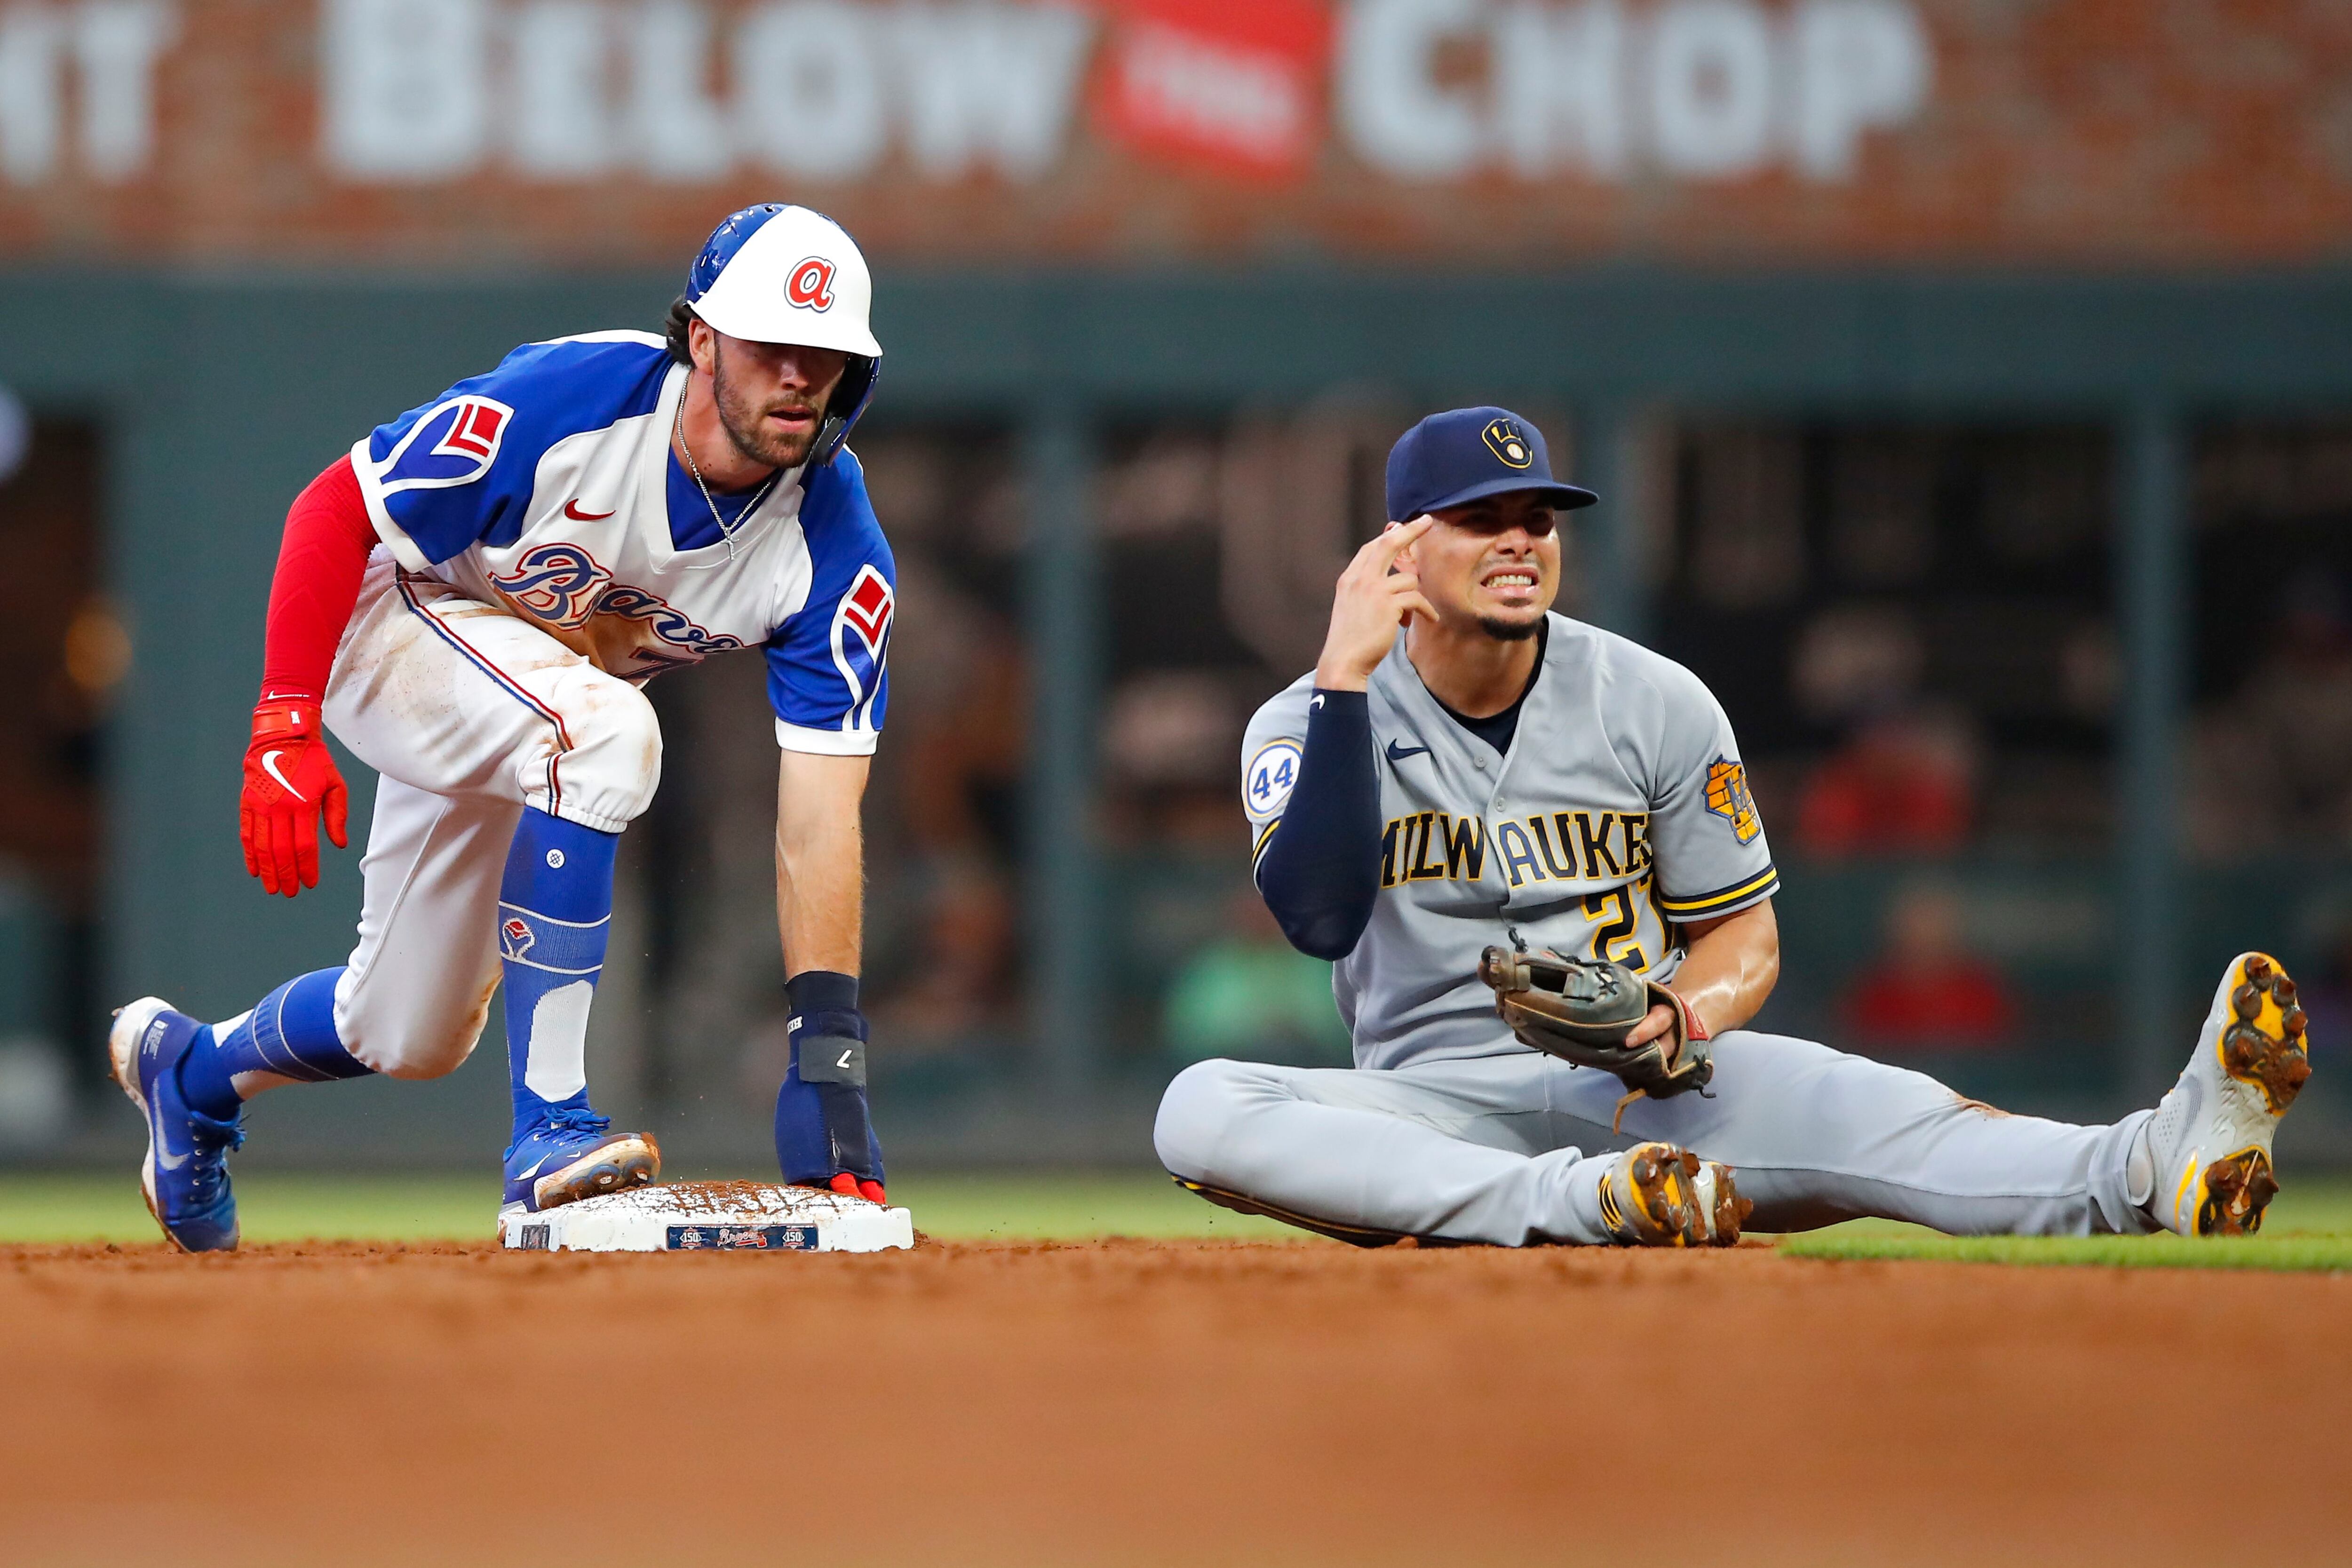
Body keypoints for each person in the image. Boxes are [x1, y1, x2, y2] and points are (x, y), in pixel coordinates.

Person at [1153, 407, 2312, 1247]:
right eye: (1479, 518)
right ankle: (1589, 1204)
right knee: (1200, 1106)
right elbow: (1314, 916)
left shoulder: (1655, 698)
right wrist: (1345, 677)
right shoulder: (1304, 715)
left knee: (1890, 1111)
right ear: (1399, 549)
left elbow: (1743, 941)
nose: (1521, 539)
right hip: (1434, 1103)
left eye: (1538, 518)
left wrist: (1679, 1010)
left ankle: (2164, 1157)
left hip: (1649, 1081)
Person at [109, 205, 897, 1252]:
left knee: (405, 1026)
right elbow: (334, 508)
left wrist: (826, 1056)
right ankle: (550, 1130)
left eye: (827, 355)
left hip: (520, 701)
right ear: (702, 339)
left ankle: (189, 1070)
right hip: (389, 617)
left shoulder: (832, 547)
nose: (799, 376)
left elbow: (818, 822)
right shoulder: (579, 400)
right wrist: (283, 717)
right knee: (608, 733)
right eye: (771, 346)